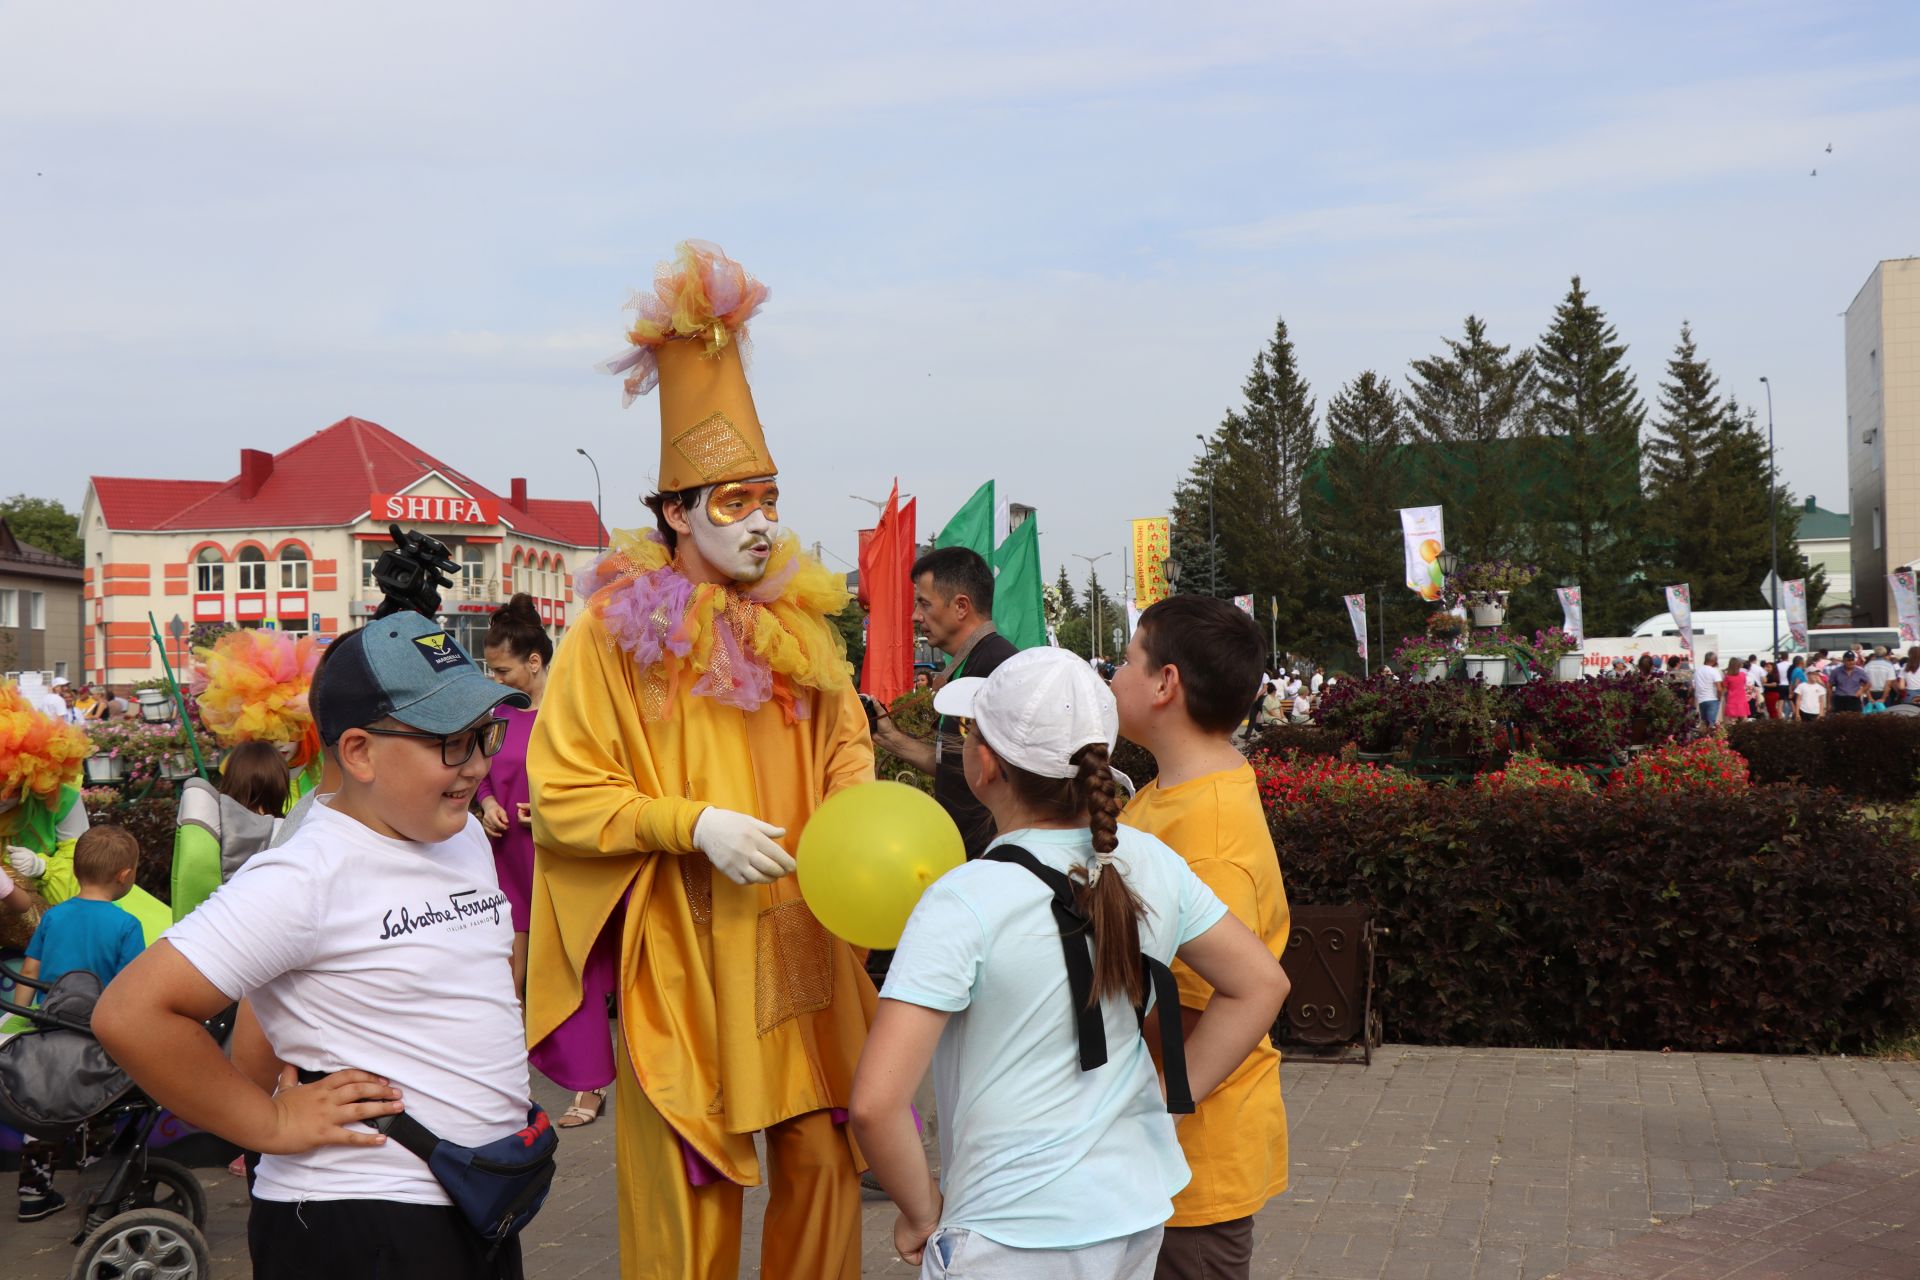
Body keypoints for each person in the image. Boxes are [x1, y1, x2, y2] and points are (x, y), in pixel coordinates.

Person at [525, 242, 876, 1280]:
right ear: (675, 511)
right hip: (685, 946)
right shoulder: (607, 636)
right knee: (694, 1180)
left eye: (767, 495)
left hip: (804, 938)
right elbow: (564, 794)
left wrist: (851, 819)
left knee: (823, 1160)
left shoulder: (801, 628)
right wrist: (692, 824)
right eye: (732, 499)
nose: (762, 520)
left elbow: (846, 738)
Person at [94, 611, 536, 1280]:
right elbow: (132, 1013)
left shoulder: (460, 835)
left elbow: (274, 1021)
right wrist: (266, 1126)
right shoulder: (307, 872)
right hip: (363, 1222)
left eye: (484, 736)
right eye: (451, 742)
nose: (477, 763)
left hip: (475, 1201)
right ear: (357, 752)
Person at [850, 648, 1287, 1277]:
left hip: (1009, 1229)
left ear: (986, 766)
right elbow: (1261, 983)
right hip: (1133, 1209)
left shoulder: (963, 899)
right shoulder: (1154, 861)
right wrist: (1167, 1097)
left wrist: (920, 1213)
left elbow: (876, 1103)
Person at [1109, 596, 1293, 1279]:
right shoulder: (1172, 791)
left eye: (1125, 660)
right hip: (1163, 1158)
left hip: (1189, 1170)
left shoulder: (1207, 836)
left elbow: (1192, 1011)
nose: (1114, 677)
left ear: (1166, 683)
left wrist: (1147, 1112)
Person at [16, 825, 146, 1222]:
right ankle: (98, 1194)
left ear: (74, 872)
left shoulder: (53, 917)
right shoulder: (127, 925)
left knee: (43, 1108)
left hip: (49, 1033)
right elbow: (132, 990)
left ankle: (34, 1194)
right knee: (100, 1108)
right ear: (125, 875)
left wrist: (20, 1025)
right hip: (97, 1037)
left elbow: (31, 970)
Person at [870, 546, 1021, 860]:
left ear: (961, 607)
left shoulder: (997, 669)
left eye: (924, 604)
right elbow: (955, 767)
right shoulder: (970, 664)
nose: (915, 616)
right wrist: (889, 736)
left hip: (990, 858)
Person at [192, 628, 325, 814]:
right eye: (266, 734)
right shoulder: (248, 776)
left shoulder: (323, 769)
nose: (279, 742)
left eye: (288, 730)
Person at [1691, 652, 1724, 726]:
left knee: (1704, 722)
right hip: (1712, 698)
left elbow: (1693, 686)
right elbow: (1719, 688)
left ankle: (1704, 737)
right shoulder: (1714, 671)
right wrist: (1719, 698)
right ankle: (1710, 737)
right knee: (1711, 723)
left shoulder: (1697, 671)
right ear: (1714, 660)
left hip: (1701, 699)